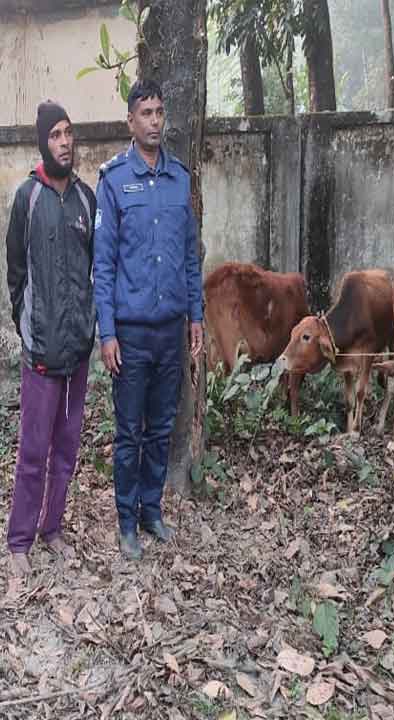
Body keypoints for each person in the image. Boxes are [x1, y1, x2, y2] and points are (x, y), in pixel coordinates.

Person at [94, 80, 205, 560]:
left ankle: (151, 509)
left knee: (161, 427)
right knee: (129, 432)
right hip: (132, 333)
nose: (155, 121)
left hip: (170, 330)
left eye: (160, 112)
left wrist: (196, 317)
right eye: (146, 113)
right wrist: (107, 332)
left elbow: (189, 257)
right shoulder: (114, 181)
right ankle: (125, 522)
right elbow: (103, 265)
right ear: (130, 122)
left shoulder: (180, 179)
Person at [5, 101, 97, 578]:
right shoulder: (28, 198)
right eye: (56, 135)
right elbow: (15, 271)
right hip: (41, 352)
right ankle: (18, 540)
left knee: (66, 449)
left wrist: (88, 325)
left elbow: (94, 270)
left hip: (77, 351)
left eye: (69, 133)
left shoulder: (86, 199)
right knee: (34, 450)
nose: (65, 142)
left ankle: (52, 528)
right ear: (44, 142)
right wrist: (28, 322)